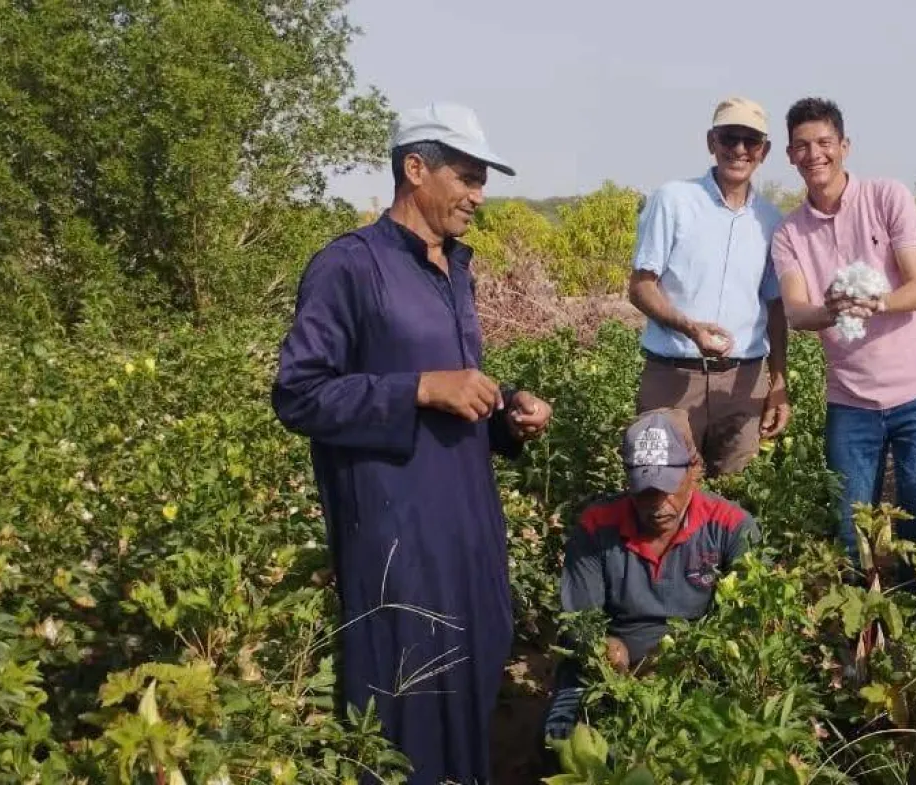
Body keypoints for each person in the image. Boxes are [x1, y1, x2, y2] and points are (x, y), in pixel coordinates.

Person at [271, 102, 554, 785]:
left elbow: (453, 384)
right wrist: (420, 388)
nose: (478, 196)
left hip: (467, 524)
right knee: (408, 698)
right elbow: (300, 393)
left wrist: (504, 409)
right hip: (397, 535)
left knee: (473, 674)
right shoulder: (349, 266)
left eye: (483, 181)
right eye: (467, 177)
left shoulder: (456, 267)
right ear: (416, 168)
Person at [769, 97, 916, 571]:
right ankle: (859, 611)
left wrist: (876, 303)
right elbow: (796, 312)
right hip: (850, 401)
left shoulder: (887, 197)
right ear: (790, 155)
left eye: (824, 143)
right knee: (850, 530)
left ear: (844, 146)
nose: (814, 155)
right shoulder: (789, 234)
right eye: (802, 146)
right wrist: (830, 310)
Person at [539, 407, 761, 745]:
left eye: (668, 488)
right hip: (608, 667)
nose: (658, 504)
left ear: (693, 471)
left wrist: (681, 662)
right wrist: (605, 650)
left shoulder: (731, 527)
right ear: (628, 479)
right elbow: (580, 620)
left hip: (696, 664)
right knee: (559, 743)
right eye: (645, 491)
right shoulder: (597, 526)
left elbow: (745, 626)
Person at [627, 97, 791, 477]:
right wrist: (690, 328)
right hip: (673, 378)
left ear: (764, 151)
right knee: (661, 493)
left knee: (738, 496)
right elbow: (641, 287)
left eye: (750, 141)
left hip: (743, 384)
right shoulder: (673, 201)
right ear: (711, 142)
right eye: (729, 137)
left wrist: (778, 382)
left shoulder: (771, 220)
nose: (739, 149)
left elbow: (775, 307)